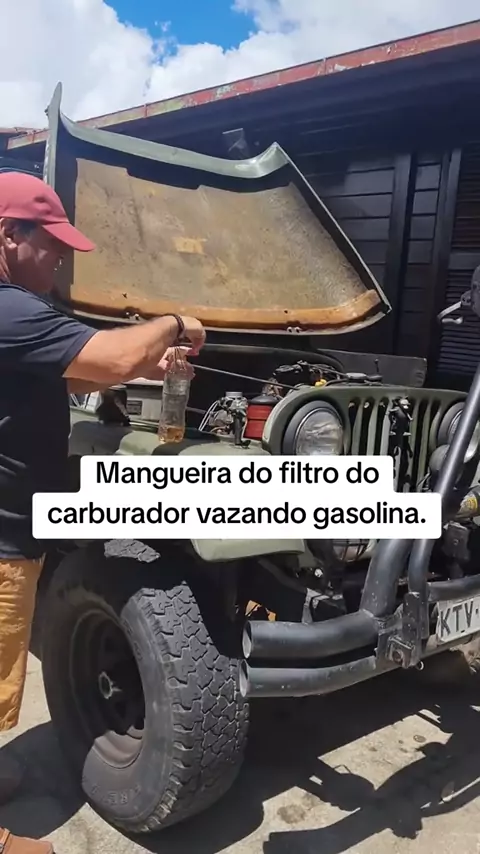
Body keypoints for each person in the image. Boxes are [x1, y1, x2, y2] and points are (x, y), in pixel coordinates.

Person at [0, 170, 206, 853]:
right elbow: (109, 358)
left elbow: (77, 370)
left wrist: (148, 365)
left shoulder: (15, 316)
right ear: (8, 235)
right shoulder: (9, 308)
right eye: (52, 244)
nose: (62, 260)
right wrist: (174, 323)